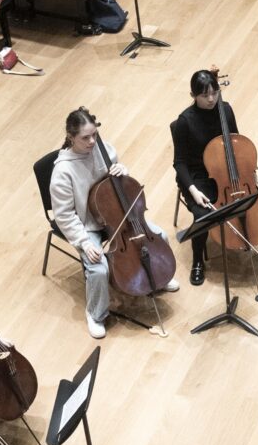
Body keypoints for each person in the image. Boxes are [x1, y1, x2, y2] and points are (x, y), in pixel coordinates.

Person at [50, 106, 181, 339]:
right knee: (98, 268)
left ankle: (157, 279)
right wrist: (84, 242)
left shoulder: (105, 150)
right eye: (85, 138)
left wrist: (123, 171)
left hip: (117, 215)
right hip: (86, 225)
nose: (92, 141)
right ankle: (95, 313)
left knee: (159, 235)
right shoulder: (63, 172)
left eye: (94, 135)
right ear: (71, 137)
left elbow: (121, 187)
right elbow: (64, 215)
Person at [172, 70, 258, 287]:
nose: (211, 99)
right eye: (205, 95)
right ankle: (198, 261)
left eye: (215, 93)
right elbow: (179, 163)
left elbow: (238, 144)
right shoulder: (185, 122)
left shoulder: (226, 110)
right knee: (202, 214)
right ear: (193, 95)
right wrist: (193, 190)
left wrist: (252, 175)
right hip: (198, 176)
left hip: (227, 169)